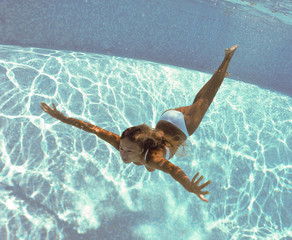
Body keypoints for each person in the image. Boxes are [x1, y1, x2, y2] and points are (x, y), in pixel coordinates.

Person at [40, 45, 238, 203]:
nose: (122, 153)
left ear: (144, 148)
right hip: (168, 117)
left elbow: (172, 170)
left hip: (182, 125)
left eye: (127, 151)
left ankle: (228, 57)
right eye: (123, 149)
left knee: (206, 98)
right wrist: (63, 119)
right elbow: (92, 129)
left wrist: (188, 185)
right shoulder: (123, 142)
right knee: (199, 99)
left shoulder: (152, 158)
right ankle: (219, 75)